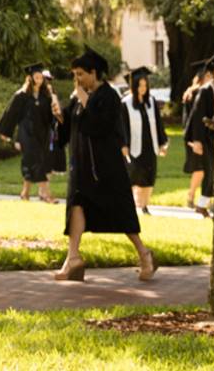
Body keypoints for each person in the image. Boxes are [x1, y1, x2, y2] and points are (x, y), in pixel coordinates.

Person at [50, 48, 157, 282]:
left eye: (80, 74)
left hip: (106, 169)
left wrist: (83, 99)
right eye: (75, 75)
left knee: (121, 214)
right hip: (82, 167)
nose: (77, 79)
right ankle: (73, 258)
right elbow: (70, 130)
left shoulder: (109, 96)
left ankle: (144, 254)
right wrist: (60, 118)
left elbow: (100, 126)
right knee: (76, 206)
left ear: (94, 72)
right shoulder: (78, 98)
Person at [0, 65, 62, 204]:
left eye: (41, 77)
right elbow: (11, 114)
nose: (39, 80)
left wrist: (56, 125)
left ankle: (25, 193)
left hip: (42, 134)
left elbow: (51, 116)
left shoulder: (46, 96)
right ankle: (46, 194)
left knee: (32, 162)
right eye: (36, 77)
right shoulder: (22, 95)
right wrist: (6, 133)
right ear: (30, 78)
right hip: (26, 133)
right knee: (37, 161)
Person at [123, 67, 167, 214]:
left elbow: (158, 123)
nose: (143, 88)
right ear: (133, 86)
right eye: (140, 85)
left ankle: (144, 205)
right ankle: (131, 204)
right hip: (134, 146)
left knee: (149, 176)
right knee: (134, 176)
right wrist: (123, 144)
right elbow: (122, 126)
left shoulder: (151, 101)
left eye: (145, 85)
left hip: (150, 145)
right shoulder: (126, 103)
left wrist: (162, 143)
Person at [180, 58, 214, 215]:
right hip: (200, 136)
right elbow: (194, 116)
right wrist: (195, 139)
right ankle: (194, 198)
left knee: (206, 170)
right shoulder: (200, 92)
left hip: (203, 136)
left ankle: (201, 201)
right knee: (204, 169)